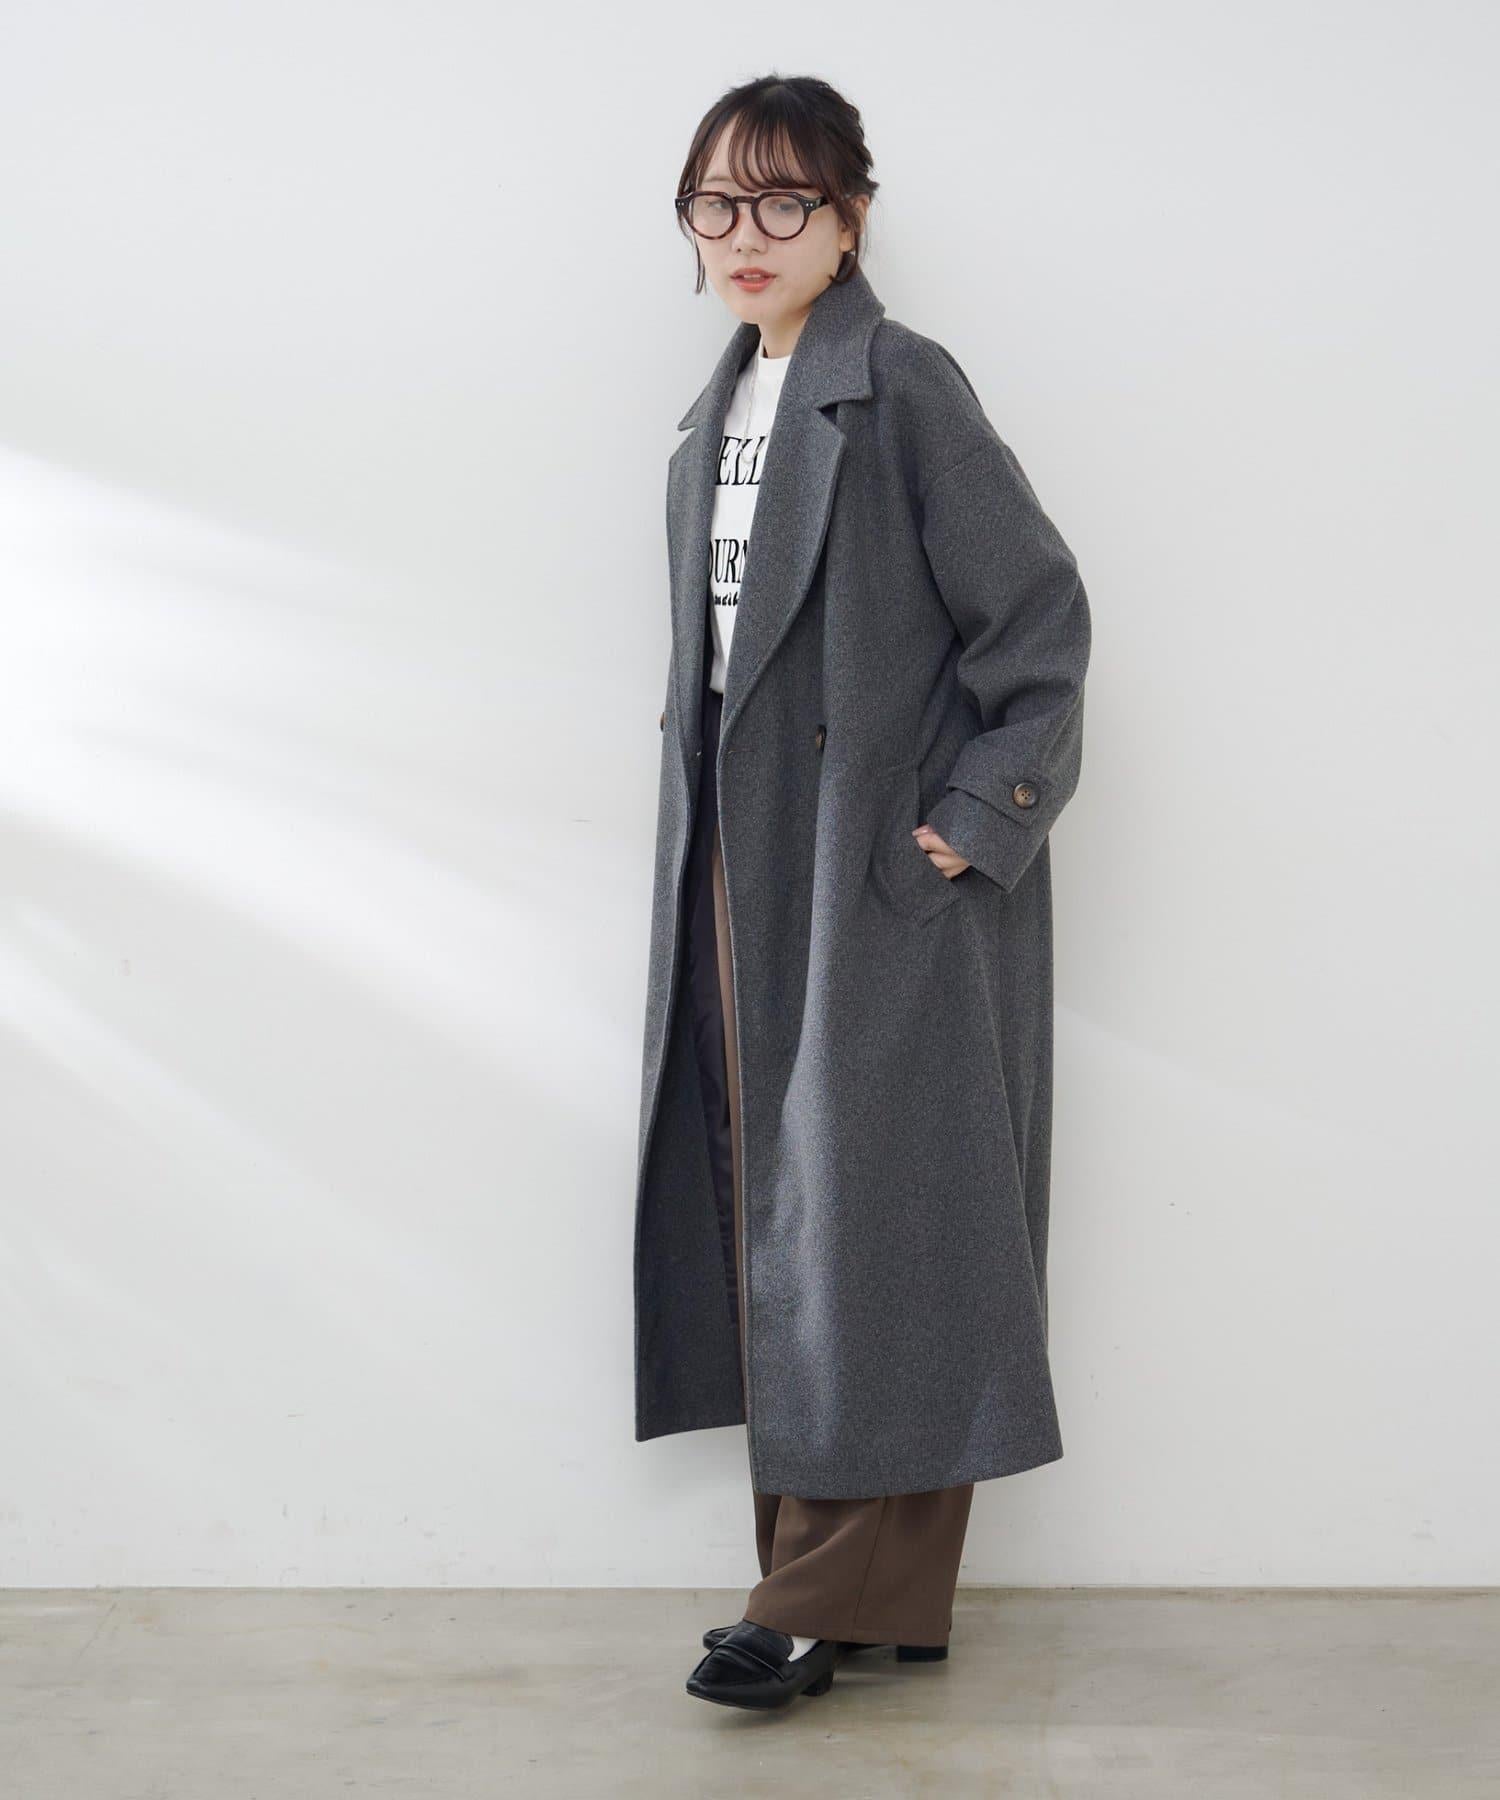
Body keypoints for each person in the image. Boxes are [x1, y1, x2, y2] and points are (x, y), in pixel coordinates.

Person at [634, 74, 1092, 1713]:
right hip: (740, 867)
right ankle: (865, 1602)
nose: (744, 235)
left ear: (851, 217)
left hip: (876, 877)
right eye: (715, 203)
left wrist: (974, 820)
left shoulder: (899, 385)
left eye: (783, 202)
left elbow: (1038, 619)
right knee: (782, 1207)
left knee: (871, 1223)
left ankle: (804, 1602)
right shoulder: (717, 415)